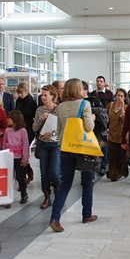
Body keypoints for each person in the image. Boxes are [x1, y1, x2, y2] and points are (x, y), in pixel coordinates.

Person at [49, 78, 97, 232]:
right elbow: (89, 127)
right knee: (87, 181)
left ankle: (55, 218)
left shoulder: (61, 106)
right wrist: (93, 119)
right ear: (77, 89)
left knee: (65, 183)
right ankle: (86, 214)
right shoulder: (85, 104)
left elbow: (59, 128)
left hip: (65, 147)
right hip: (82, 148)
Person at [32, 84, 60, 209]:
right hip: (43, 144)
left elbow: (62, 128)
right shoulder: (39, 110)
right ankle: (46, 196)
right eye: (42, 95)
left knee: (54, 172)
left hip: (55, 144)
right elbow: (34, 128)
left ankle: (58, 192)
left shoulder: (59, 109)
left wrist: (52, 133)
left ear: (52, 96)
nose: (43, 97)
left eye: (45, 95)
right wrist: (40, 119)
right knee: (44, 172)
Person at [4, 110, 30, 204]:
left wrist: (25, 158)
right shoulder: (7, 130)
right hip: (9, 157)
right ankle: (7, 198)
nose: (7, 120)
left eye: (9, 118)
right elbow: (4, 144)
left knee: (20, 177)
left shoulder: (23, 131)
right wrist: (4, 155)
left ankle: (24, 193)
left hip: (19, 157)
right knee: (8, 177)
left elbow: (25, 145)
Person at [106, 88, 129, 181]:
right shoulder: (111, 105)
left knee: (121, 155)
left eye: (122, 96)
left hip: (122, 134)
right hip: (112, 133)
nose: (119, 98)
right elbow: (106, 118)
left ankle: (121, 172)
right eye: (118, 95)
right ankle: (112, 173)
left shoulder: (127, 107)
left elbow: (125, 120)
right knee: (112, 155)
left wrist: (122, 108)